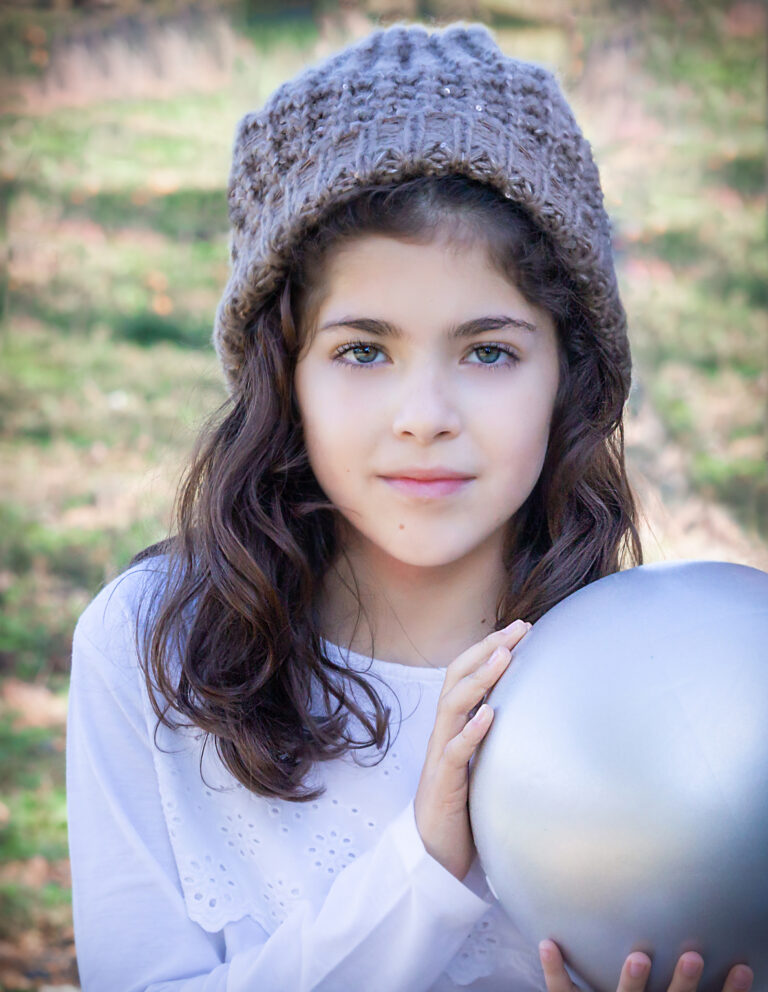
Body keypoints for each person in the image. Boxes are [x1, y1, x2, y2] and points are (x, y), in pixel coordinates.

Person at [65, 19, 755, 992]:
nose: (424, 416)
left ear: (570, 373)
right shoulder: (152, 650)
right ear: (284, 371)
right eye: (362, 349)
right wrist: (422, 871)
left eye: (488, 350)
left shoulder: (662, 698)